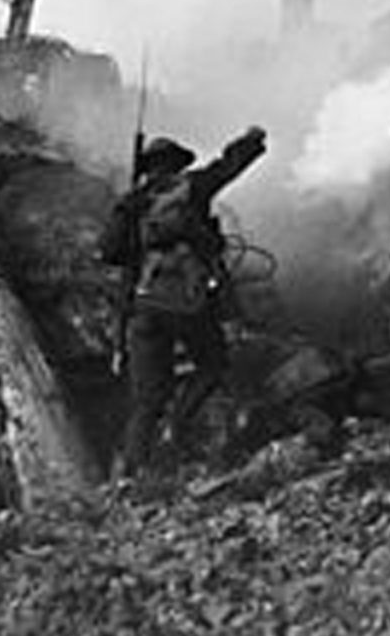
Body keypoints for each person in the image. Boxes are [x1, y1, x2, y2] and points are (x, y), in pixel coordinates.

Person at [100, 126, 268, 478]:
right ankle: (176, 426)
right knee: (212, 364)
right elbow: (227, 165)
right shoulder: (191, 188)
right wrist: (252, 140)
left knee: (147, 399)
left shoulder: (132, 204)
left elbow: (122, 266)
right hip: (188, 302)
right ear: (176, 164)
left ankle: (130, 475)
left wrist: (119, 338)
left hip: (145, 307)